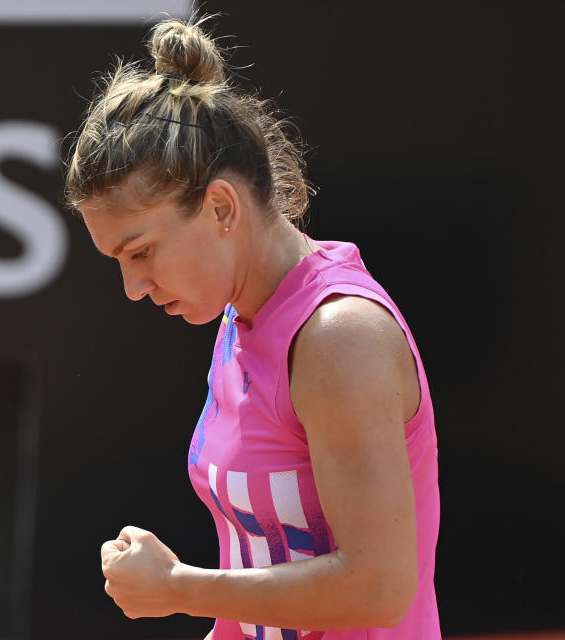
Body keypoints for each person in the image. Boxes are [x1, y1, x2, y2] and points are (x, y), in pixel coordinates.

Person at [63, 17, 441, 640]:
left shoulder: (338, 336)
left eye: (141, 252)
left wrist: (179, 587)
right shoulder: (241, 317)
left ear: (220, 208)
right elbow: (266, 577)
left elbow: (377, 590)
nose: (133, 287)